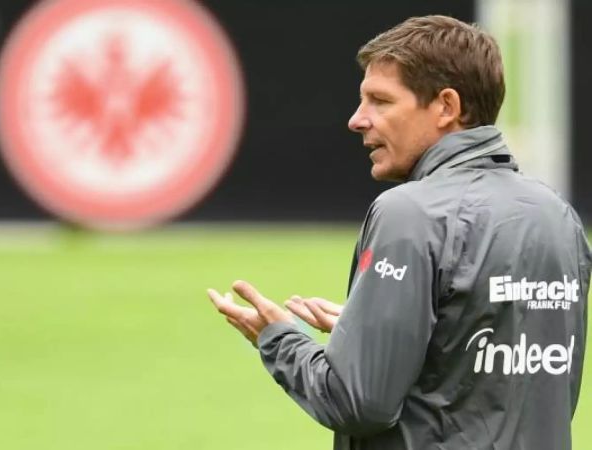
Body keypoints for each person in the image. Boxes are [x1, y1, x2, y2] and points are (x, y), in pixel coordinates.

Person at [208, 15, 589, 450]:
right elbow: (524, 386)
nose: (357, 119)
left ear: (446, 106)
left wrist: (280, 340)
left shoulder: (408, 212)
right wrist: (379, 337)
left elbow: (358, 403)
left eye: (380, 101)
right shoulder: (557, 215)